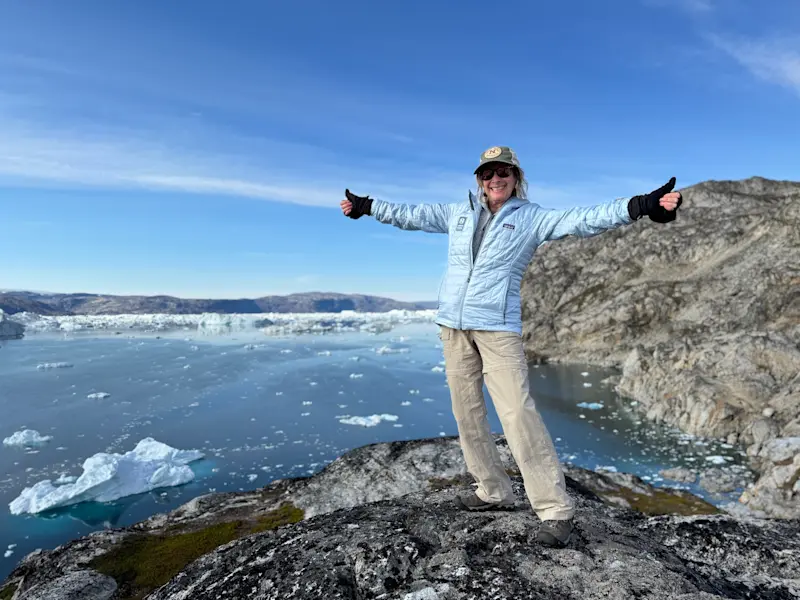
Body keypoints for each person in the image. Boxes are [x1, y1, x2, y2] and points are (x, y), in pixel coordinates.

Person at [339, 145, 682, 547]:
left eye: (503, 172)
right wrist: (367, 205)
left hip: (497, 329)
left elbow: (585, 219)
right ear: (479, 179)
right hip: (453, 326)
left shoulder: (532, 218)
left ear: (516, 177)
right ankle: (492, 490)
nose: (495, 179)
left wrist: (643, 205)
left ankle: (555, 511)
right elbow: (410, 215)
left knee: (517, 414)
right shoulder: (458, 212)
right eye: (487, 174)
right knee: (466, 413)